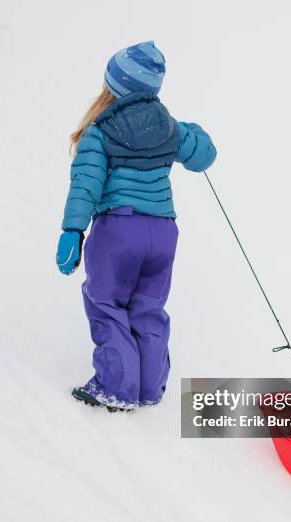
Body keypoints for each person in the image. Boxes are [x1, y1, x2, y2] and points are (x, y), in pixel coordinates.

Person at [56, 41, 217, 411]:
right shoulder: (170, 129)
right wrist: (190, 129)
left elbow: (86, 184)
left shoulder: (99, 131)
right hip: (163, 232)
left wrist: (73, 230)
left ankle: (116, 389)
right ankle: (147, 389)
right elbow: (204, 155)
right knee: (148, 308)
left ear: (112, 87)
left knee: (107, 304)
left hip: (118, 229)